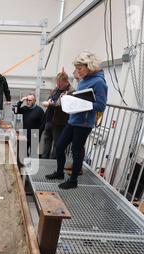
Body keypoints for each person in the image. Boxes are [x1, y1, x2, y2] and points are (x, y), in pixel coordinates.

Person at [46, 51, 108, 189]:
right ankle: (59, 172)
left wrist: (83, 104)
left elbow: (101, 105)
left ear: (89, 66)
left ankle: (73, 180)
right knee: (60, 145)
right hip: (73, 119)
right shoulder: (84, 79)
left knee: (76, 150)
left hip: (84, 123)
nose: (77, 72)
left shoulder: (99, 82)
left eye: (80, 68)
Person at [40, 71, 75, 159]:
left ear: (66, 81)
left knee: (57, 143)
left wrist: (50, 104)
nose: (58, 85)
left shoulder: (71, 91)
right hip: (49, 118)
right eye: (57, 83)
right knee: (47, 139)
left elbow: (62, 105)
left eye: (60, 84)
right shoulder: (57, 88)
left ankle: (53, 162)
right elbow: (51, 97)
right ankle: (44, 158)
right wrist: (49, 101)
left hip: (59, 122)